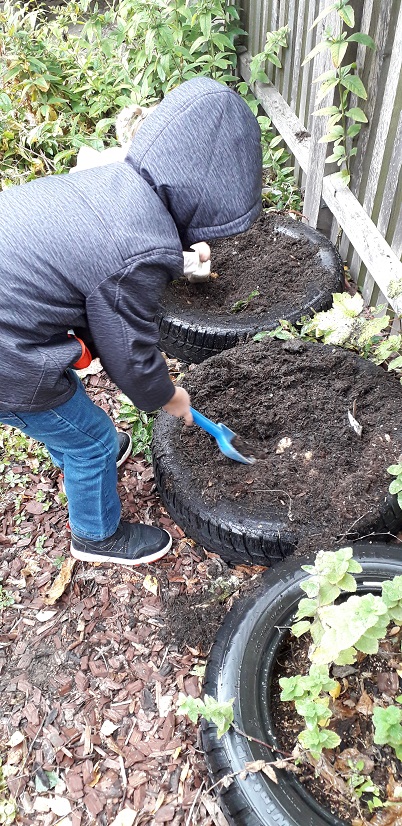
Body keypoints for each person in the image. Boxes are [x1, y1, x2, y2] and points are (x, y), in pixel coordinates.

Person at [0, 76, 262, 567]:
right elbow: (130, 357)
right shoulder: (134, 254)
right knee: (92, 439)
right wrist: (172, 398)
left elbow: (93, 262)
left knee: (66, 420)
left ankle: (71, 449)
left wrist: (173, 256)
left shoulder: (111, 183)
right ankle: (96, 537)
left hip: (9, 311)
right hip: (7, 360)